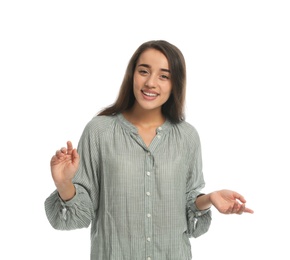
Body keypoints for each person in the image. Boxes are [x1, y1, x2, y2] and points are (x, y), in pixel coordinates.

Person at [45, 40, 254, 260]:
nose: (151, 83)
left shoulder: (187, 137)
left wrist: (209, 198)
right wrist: (64, 184)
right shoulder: (99, 131)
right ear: (131, 75)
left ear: (175, 83)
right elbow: (79, 216)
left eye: (164, 76)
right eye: (144, 71)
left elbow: (189, 208)